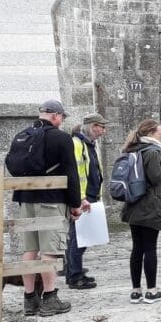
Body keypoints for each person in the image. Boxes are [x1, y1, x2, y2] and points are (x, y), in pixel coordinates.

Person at [11, 99, 82, 317]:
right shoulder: (62, 138)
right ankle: (50, 298)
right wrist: (75, 203)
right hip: (51, 200)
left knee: (29, 250)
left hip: (25, 199)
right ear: (55, 116)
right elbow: (71, 172)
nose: (62, 120)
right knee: (50, 251)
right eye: (62, 117)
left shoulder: (22, 135)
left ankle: (29, 299)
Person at [119, 118, 161, 303]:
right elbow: (156, 177)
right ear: (150, 134)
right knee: (150, 248)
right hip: (150, 205)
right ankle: (151, 290)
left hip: (133, 204)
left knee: (137, 248)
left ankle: (135, 291)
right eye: (159, 131)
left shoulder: (132, 149)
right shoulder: (153, 151)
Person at [64, 113, 109, 289]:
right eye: (101, 127)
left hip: (89, 196)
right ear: (92, 126)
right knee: (79, 238)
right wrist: (81, 197)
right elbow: (76, 172)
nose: (103, 131)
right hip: (82, 197)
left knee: (82, 237)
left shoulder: (88, 143)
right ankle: (74, 276)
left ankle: (75, 271)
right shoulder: (77, 144)